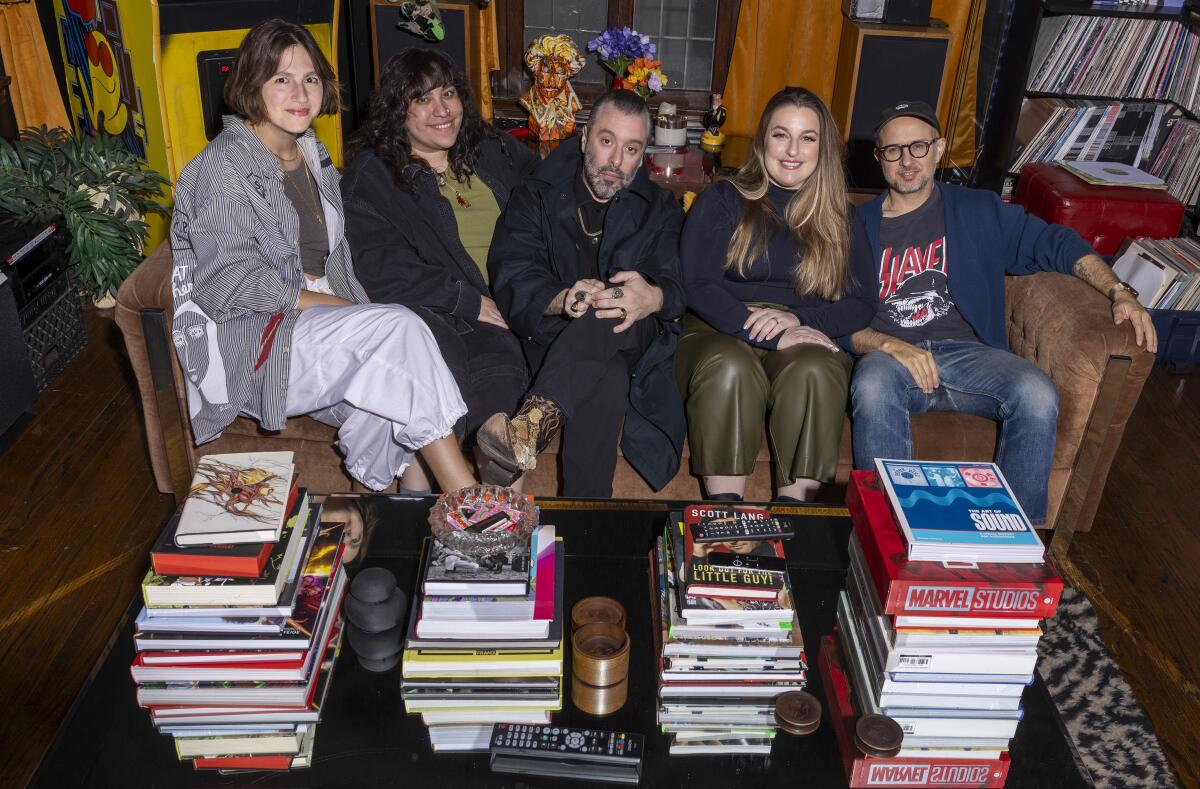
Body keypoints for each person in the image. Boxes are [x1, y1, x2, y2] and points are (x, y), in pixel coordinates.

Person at [169, 18, 476, 494]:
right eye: (282, 79)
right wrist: (341, 307)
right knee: (398, 331)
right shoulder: (221, 168)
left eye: (310, 78)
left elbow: (338, 254)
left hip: (318, 321)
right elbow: (227, 284)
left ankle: (404, 519)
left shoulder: (310, 152)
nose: (301, 93)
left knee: (400, 390)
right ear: (252, 86)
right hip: (264, 338)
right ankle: (467, 499)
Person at [845, 99, 1158, 524]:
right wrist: (886, 345)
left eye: (918, 147)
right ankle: (886, 536)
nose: (907, 161)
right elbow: (833, 317)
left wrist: (1119, 291)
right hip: (891, 357)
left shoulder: (978, 211)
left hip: (969, 356)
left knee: (1036, 391)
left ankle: (1017, 545)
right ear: (878, 158)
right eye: (893, 151)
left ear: (938, 150)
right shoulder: (853, 225)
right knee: (873, 384)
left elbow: (1059, 245)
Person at [340, 48, 537, 492]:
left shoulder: (491, 151)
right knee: (495, 385)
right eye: (423, 99)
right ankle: (483, 518)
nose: (442, 110)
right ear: (397, 109)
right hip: (445, 316)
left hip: (519, 301)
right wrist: (468, 301)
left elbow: (550, 189)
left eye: (448, 93)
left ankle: (479, 513)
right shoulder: (371, 177)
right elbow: (378, 267)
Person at [476, 89, 686, 497]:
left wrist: (653, 297)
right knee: (603, 379)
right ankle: (589, 523)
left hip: (634, 335)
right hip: (553, 338)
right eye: (607, 141)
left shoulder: (660, 207)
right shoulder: (535, 193)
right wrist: (562, 299)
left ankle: (528, 428)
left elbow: (679, 283)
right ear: (586, 137)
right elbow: (512, 275)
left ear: (643, 154)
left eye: (631, 149)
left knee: (610, 309)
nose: (615, 161)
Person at [677, 86, 874, 503]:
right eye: (781, 134)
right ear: (763, 139)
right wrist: (767, 332)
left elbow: (862, 303)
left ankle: (793, 517)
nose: (792, 150)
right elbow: (697, 285)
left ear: (823, 148)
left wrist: (799, 323)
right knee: (730, 364)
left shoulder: (842, 217)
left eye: (807, 138)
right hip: (719, 324)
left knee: (816, 369)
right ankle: (724, 515)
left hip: (800, 329)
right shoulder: (724, 198)